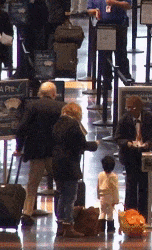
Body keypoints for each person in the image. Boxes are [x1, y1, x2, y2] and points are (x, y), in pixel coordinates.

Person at [15, 81, 66, 227]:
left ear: (40, 93)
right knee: (60, 184)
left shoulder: (32, 106)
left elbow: (21, 128)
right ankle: (62, 215)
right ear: (54, 94)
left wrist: (19, 148)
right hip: (54, 152)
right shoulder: (61, 107)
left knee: (32, 184)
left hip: (36, 151)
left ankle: (27, 213)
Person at [52, 102, 98, 238]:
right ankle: (69, 226)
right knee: (70, 197)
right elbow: (81, 144)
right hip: (70, 165)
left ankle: (60, 225)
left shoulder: (57, 124)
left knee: (61, 195)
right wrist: (94, 145)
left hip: (57, 164)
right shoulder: (73, 125)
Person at [114, 95, 152, 220]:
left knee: (145, 186)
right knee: (131, 186)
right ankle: (130, 214)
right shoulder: (124, 120)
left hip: (145, 156)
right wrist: (128, 143)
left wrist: (148, 143)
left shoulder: (150, 118)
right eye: (128, 108)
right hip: (130, 157)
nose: (130, 110)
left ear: (139, 108)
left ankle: (144, 215)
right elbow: (118, 138)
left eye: (132, 108)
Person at [87, 0, 133, 81]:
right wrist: (94, 12)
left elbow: (128, 5)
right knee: (104, 55)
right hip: (103, 27)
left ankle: (125, 78)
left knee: (121, 54)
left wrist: (115, 3)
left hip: (119, 26)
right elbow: (89, 9)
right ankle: (106, 80)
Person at [15, 0, 48, 82]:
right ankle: (29, 73)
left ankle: (33, 72)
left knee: (34, 50)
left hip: (35, 24)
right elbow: (22, 6)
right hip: (32, 26)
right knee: (31, 50)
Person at [97, 155, 119, 234]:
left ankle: (101, 227)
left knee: (102, 211)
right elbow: (115, 189)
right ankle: (110, 228)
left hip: (102, 196)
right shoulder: (113, 176)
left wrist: (98, 195)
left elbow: (98, 186)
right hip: (110, 196)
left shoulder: (100, 174)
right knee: (110, 212)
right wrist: (116, 200)